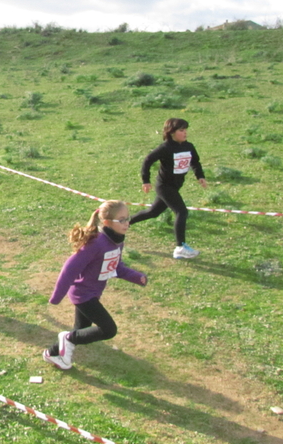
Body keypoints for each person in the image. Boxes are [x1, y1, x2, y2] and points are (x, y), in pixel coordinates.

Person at [43, 200, 147, 370]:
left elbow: (116, 267)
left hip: (93, 293)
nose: (127, 223)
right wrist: (56, 297)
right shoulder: (96, 244)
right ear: (106, 222)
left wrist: (137, 277)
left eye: (127, 218)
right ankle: (66, 340)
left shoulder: (117, 241)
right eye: (121, 220)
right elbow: (70, 269)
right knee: (108, 329)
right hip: (83, 295)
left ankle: (52, 354)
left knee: (81, 329)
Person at [129, 118, 207, 259]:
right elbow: (148, 160)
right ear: (171, 132)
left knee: (153, 212)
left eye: (185, 130)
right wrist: (146, 180)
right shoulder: (165, 148)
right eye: (181, 130)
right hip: (164, 186)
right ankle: (180, 247)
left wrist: (200, 176)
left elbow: (195, 162)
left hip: (175, 186)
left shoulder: (188, 146)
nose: (185, 133)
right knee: (181, 212)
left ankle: (122, 224)